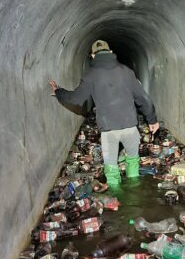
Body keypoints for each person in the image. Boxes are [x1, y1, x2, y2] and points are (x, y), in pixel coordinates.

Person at [48, 39, 159, 186]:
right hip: (130, 127)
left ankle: (114, 200)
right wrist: (152, 120)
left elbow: (75, 98)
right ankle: (134, 193)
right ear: (111, 52)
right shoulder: (127, 72)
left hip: (108, 130)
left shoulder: (91, 75)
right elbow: (143, 98)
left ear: (93, 56)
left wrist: (58, 91)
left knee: (111, 169)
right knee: (133, 162)